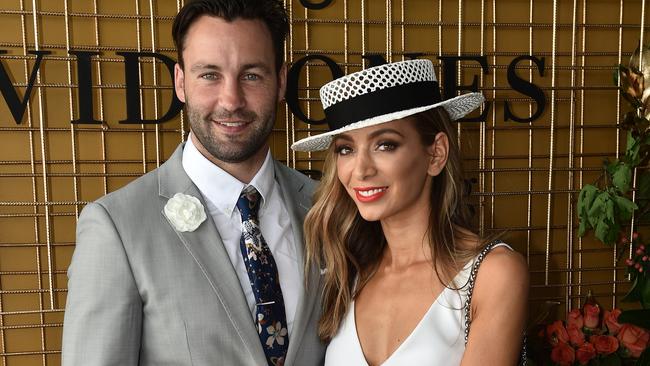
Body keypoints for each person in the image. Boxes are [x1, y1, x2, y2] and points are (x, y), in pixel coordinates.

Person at [62, 1, 325, 365]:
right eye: (209, 75)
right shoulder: (116, 227)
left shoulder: (325, 206)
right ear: (181, 82)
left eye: (251, 75)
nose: (231, 100)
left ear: (280, 82)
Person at [291, 59, 529, 365]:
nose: (360, 170)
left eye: (385, 145)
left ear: (435, 153)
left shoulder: (493, 274)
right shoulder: (344, 272)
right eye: (346, 149)